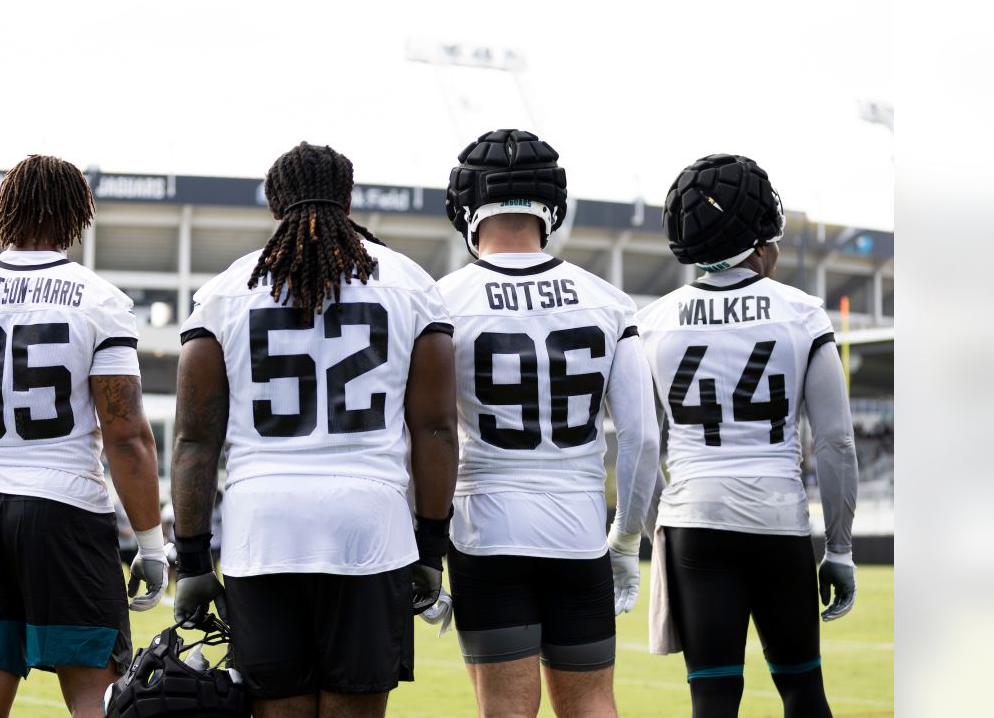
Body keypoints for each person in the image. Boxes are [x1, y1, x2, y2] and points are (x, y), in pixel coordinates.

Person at [170, 142, 459, 718]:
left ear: (275, 207)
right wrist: (430, 547)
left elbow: (194, 441)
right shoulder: (409, 283)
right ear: (348, 200)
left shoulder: (225, 292)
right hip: (369, 527)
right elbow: (435, 430)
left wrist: (194, 558)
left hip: (263, 529)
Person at [0, 154, 169, 718]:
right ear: (76, 217)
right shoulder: (99, 299)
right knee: (97, 698)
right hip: (65, 510)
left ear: (4, 211)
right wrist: (153, 544)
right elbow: (127, 437)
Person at [436, 129, 661, 718]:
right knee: (592, 706)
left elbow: (423, 429)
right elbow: (641, 439)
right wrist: (626, 538)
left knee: (506, 711)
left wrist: (423, 544)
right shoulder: (608, 301)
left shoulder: (441, 300)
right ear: (552, 207)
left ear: (465, 206)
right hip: (578, 530)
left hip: (484, 530)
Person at [636, 154, 858, 718]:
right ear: (760, 244)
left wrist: (653, 522)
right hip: (776, 518)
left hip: (693, 519)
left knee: (713, 696)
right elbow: (835, 443)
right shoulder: (803, 314)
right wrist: (839, 547)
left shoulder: (654, 320)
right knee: (804, 692)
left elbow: (639, 441)